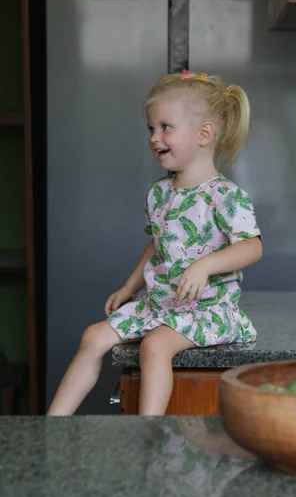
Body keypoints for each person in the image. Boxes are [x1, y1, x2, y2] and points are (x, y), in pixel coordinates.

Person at [47, 71, 262, 416]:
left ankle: (148, 429)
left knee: (155, 346)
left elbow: (252, 247)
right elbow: (157, 244)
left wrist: (204, 265)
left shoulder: (225, 196)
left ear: (204, 134)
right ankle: (50, 427)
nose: (154, 137)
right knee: (92, 336)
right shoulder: (160, 193)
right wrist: (129, 286)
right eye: (151, 128)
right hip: (161, 306)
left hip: (208, 311)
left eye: (165, 127)